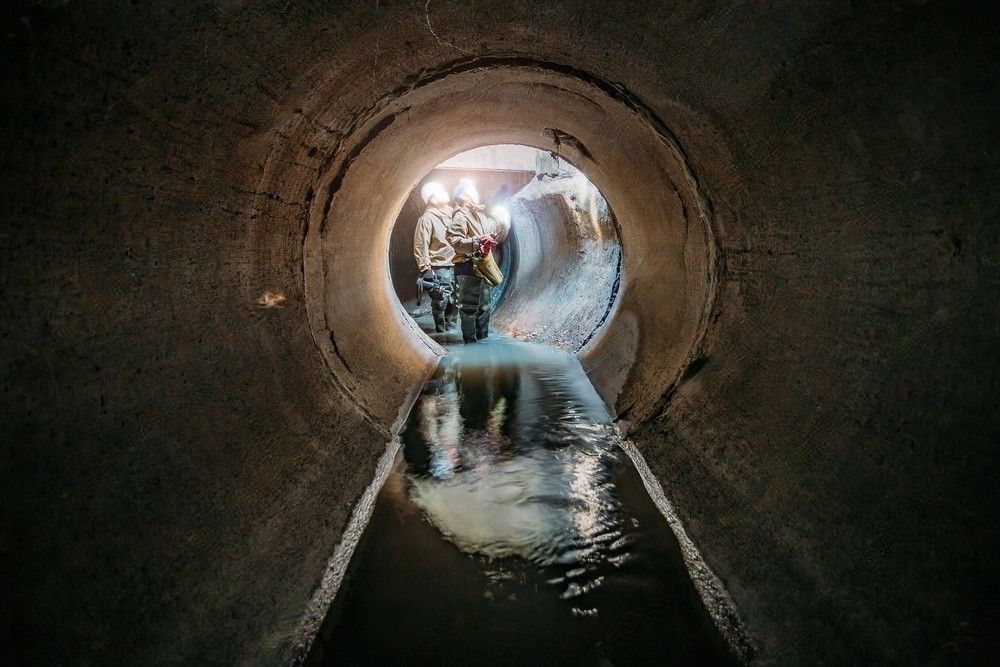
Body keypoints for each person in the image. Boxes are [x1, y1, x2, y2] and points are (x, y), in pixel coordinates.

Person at [446, 178, 511, 343]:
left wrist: (502, 220)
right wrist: (477, 241)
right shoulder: (461, 215)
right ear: (462, 196)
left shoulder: (479, 216)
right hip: (467, 267)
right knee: (469, 308)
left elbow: (495, 229)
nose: (475, 193)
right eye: (470, 191)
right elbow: (456, 241)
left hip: (480, 267)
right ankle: (470, 344)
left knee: (484, 307)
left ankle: (482, 342)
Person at [413, 181, 458, 333]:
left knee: (454, 299)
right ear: (432, 198)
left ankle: (451, 331)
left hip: (456, 263)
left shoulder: (452, 212)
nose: (444, 191)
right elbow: (420, 245)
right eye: (440, 191)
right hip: (439, 266)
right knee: (441, 300)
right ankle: (441, 332)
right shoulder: (427, 218)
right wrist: (425, 268)